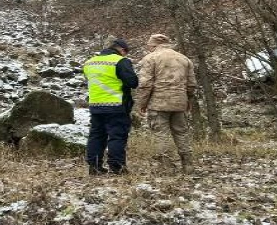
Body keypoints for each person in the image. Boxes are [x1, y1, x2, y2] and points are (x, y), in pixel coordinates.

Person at [136, 34, 198, 174]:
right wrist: (188, 99)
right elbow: (191, 84)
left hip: (158, 103)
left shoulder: (150, 58)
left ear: (154, 45)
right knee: (181, 132)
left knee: (161, 134)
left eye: (149, 45)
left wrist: (142, 103)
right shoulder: (184, 59)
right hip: (179, 101)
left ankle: (167, 167)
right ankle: (188, 165)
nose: (148, 48)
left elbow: (145, 84)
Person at [83, 36, 139, 175]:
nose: (126, 53)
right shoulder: (120, 61)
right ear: (119, 49)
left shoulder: (89, 63)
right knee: (117, 136)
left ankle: (94, 167)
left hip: (95, 105)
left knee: (96, 135)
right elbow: (133, 82)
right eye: (125, 50)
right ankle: (117, 167)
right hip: (116, 105)